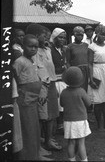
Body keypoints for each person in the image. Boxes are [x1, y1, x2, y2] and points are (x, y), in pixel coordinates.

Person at [26, 23, 62, 151]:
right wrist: (42, 89)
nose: (47, 38)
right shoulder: (34, 51)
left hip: (51, 83)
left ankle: (48, 140)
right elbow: (36, 71)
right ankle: (40, 143)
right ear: (36, 36)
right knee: (41, 116)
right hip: (41, 86)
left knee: (52, 114)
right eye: (44, 36)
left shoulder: (47, 49)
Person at [12, 34, 46, 160]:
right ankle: (28, 156)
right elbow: (15, 79)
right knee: (27, 129)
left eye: (36, 47)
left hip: (32, 100)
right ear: (23, 46)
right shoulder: (19, 61)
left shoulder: (31, 61)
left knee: (34, 128)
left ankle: (36, 153)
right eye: (30, 46)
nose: (33, 49)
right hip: (24, 101)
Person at [60, 66, 92, 161]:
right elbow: (89, 104)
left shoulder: (64, 92)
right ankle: (84, 160)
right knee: (81, 143)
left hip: (68, 121)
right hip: (80, 120)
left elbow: (62, 104)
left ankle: (72, 160)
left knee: (71, 143)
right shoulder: (81, 91)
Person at [50, 28, 68, 135]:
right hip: (54, 80)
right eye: (60, 37)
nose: (62, 40)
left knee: (62, 105)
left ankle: (60, 125)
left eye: (64, 38)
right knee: (55, 105)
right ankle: (53, 128)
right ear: (54, 37)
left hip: (63, 80)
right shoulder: (50, 49)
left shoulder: (63, 50)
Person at [66, 26, 89, 92]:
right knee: (76, 89)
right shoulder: (70, 47)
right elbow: (67, 61)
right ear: (74, 35)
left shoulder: (86, 45)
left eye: (82, 35)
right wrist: (71, 72)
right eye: (78, 35)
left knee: (86, 89)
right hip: (76, 71)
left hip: (86, 71)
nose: (80, 37)